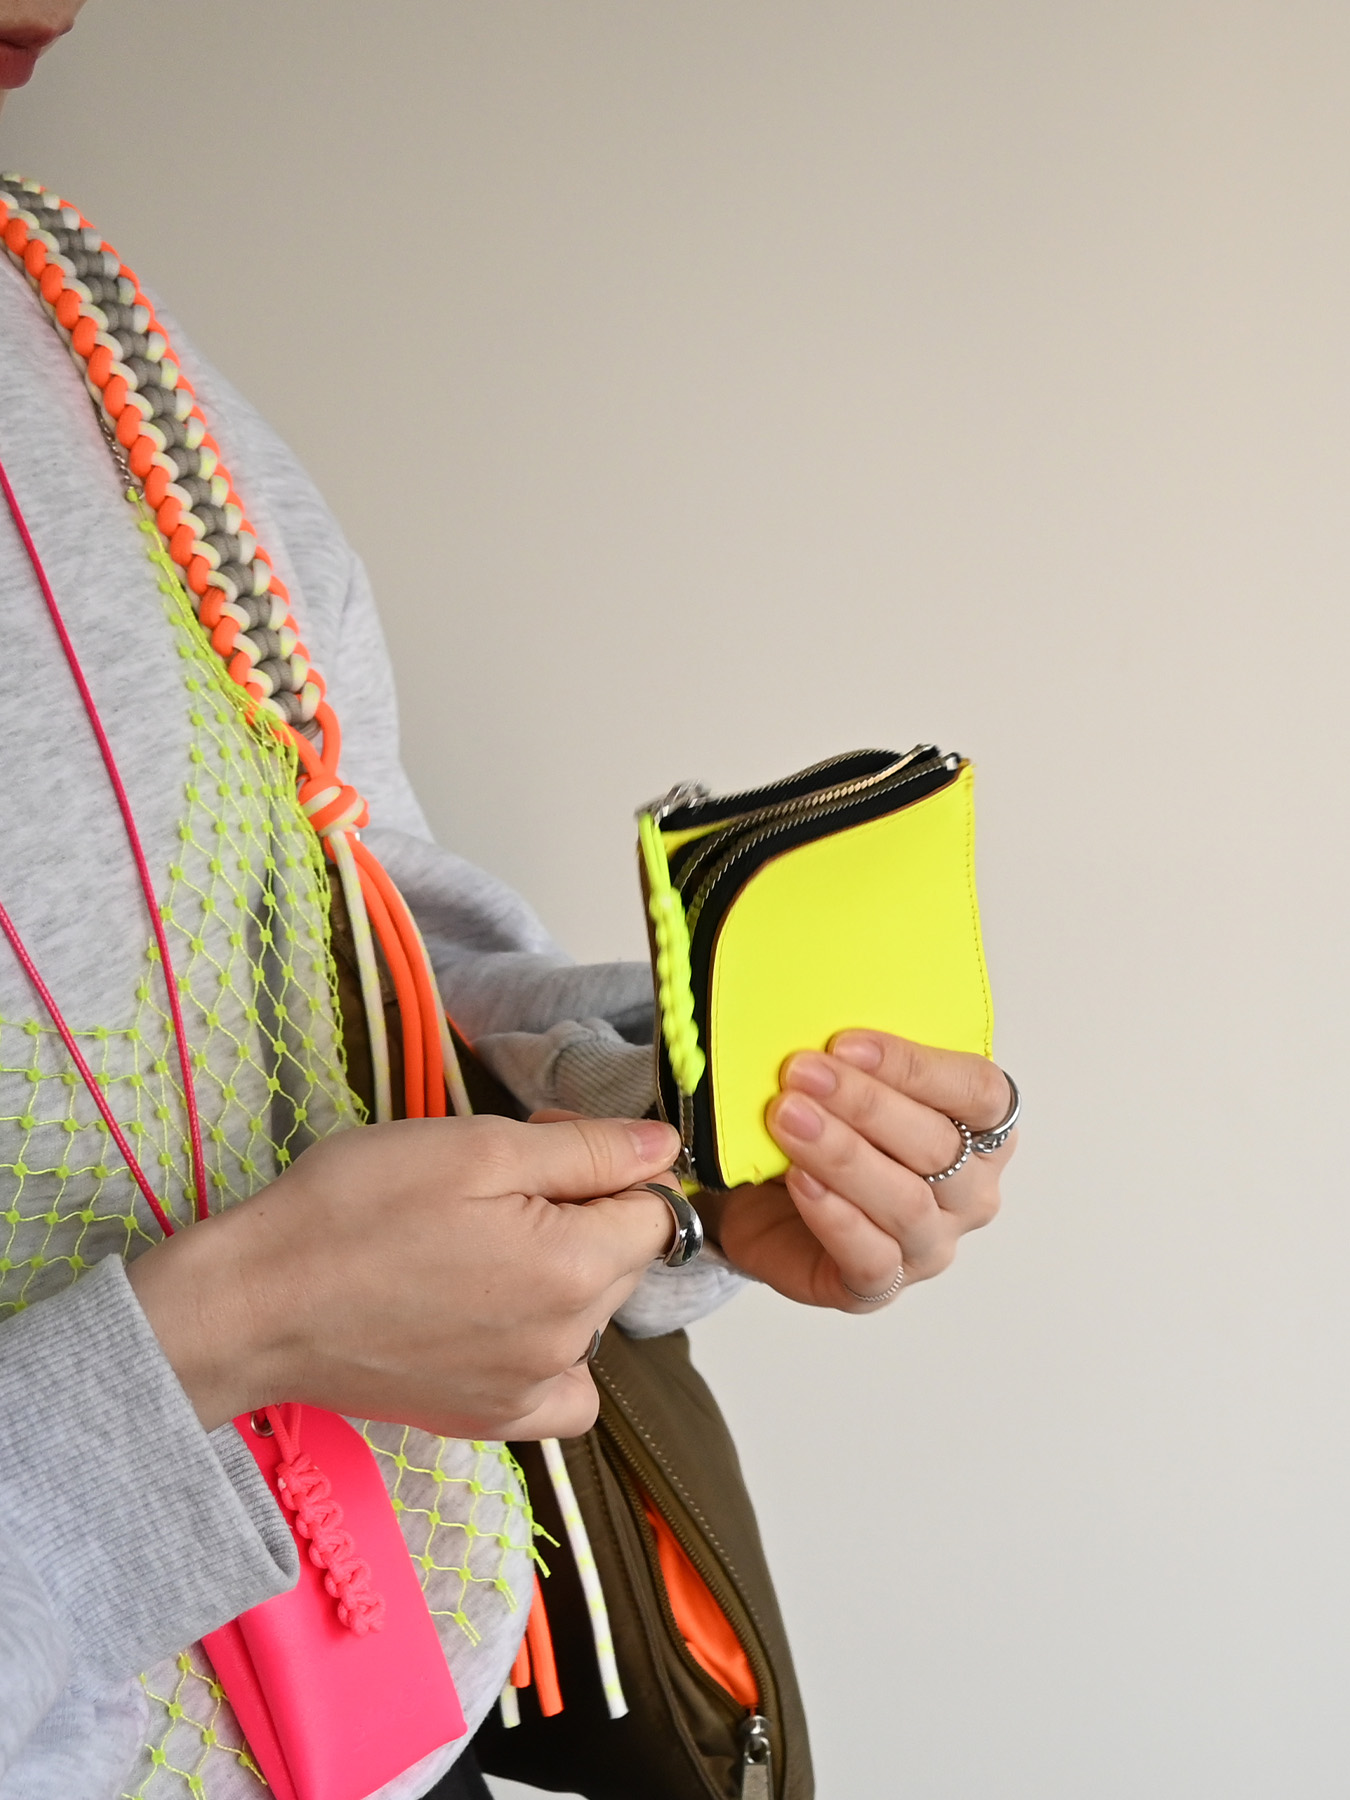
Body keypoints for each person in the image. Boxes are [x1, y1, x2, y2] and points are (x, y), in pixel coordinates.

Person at [0, 6, 1017, 1798]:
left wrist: (685, 1131)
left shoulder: (71, 305)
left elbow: (344, 927)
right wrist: (219, 1340)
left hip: (401, 1725)